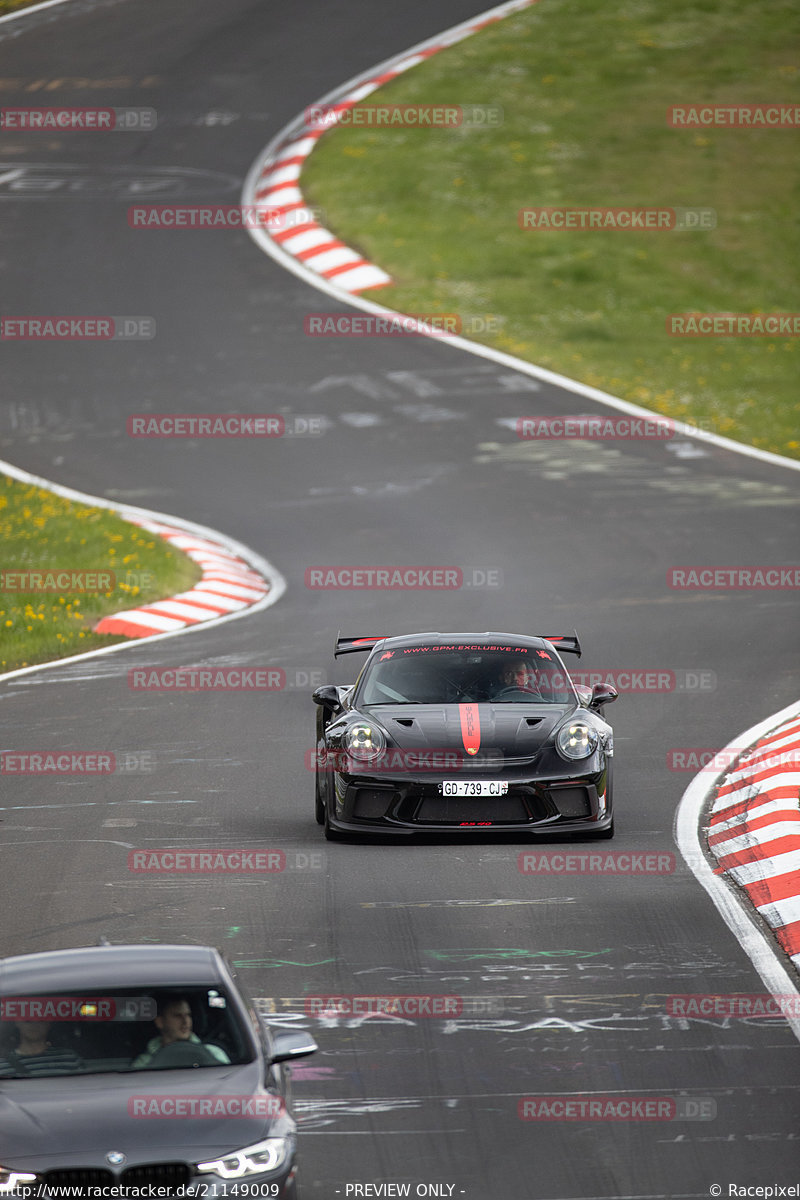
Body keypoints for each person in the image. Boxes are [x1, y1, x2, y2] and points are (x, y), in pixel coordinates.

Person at [131, 994, 230, 1068]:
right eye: (177, 1016)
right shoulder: (145, 1063)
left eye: (188, 1015)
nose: (185, 1021)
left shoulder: (214, 1053)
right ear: (160, 1022)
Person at [0, 1020, 84, 1076]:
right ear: (17, 1023)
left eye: (40, 1020)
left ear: (49, 1024)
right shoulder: (2, 1065)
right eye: (28, 1021)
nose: (34, 1025)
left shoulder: (69, 1058)